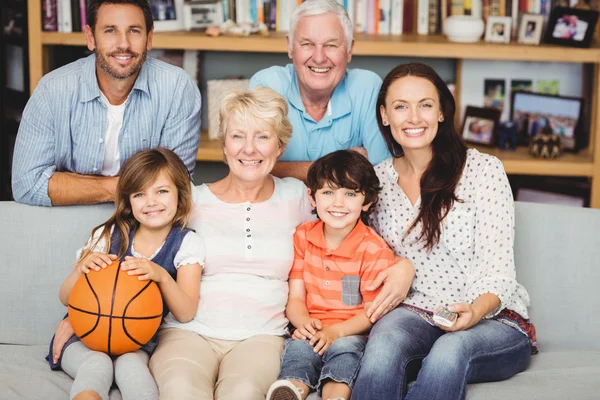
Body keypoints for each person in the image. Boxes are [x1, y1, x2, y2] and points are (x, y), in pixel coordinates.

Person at [351, 63, 537, 400]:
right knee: (382, 344)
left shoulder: (482, 170)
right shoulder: (376, 183)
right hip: (417, 314)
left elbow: (499, 268)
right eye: (400, 106)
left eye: (425, 104)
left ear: (440, 112)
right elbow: (365, 255)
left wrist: (475, 311)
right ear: (384, 116)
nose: (414, 117)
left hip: (493, 319)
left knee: (450, 350)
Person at [148, 86, 314, 400]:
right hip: (188, 332)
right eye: (238, 136)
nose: (249, 149)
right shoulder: (191, 201)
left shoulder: (298, 197)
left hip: (263, 336)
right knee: (181, 390)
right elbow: (136, 250)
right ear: (223, 144)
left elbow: (345, 233)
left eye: (262, 137)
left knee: (243, 393)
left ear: (280, 146)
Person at [48, 148, 204, 400]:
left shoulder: (186, 244)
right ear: (129, 201)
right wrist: (81, 269)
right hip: (84, 336)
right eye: (139, 194)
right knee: (96, 365)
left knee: (133, 369)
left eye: (161, 191)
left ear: (181, 193)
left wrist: (162, 276)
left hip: (136, 341)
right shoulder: (108, 235)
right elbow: (65, 297)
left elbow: (186, 312)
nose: (151, 201)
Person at [12, 0, 201, 206]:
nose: (123, 44)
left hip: (145, 225)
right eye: (110, 30)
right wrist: (123, 187)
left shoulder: (177, 89)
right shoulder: (52, 90)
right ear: (91, 37)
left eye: (134, 31)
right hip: (65, 219)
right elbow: (27, 185)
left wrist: (69, 184)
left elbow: (176, 187)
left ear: (149, 37)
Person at [266, 150, 396, 400]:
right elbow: (295, 297)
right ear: (312, 198)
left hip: (350, 332)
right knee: (299, 350)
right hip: (312, 327)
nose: (338, 203)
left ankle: (334, 395)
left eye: (350, 194)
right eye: (328, 192)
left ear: (366, 201)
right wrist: (302, 322)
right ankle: (292, 388)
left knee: (346, 354)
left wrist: (335, 333)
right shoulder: (303, 236)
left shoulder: (374, 249)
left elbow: (372, 312)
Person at [249, 0, 390, 181]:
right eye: (307, 44)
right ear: (290, 46)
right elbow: (252, 167)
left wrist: (281, 168)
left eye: (331, 45)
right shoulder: (267, 85)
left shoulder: (367, 87)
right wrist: (341, 165)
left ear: (349, 49)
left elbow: (380, 175)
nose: (319, 57)